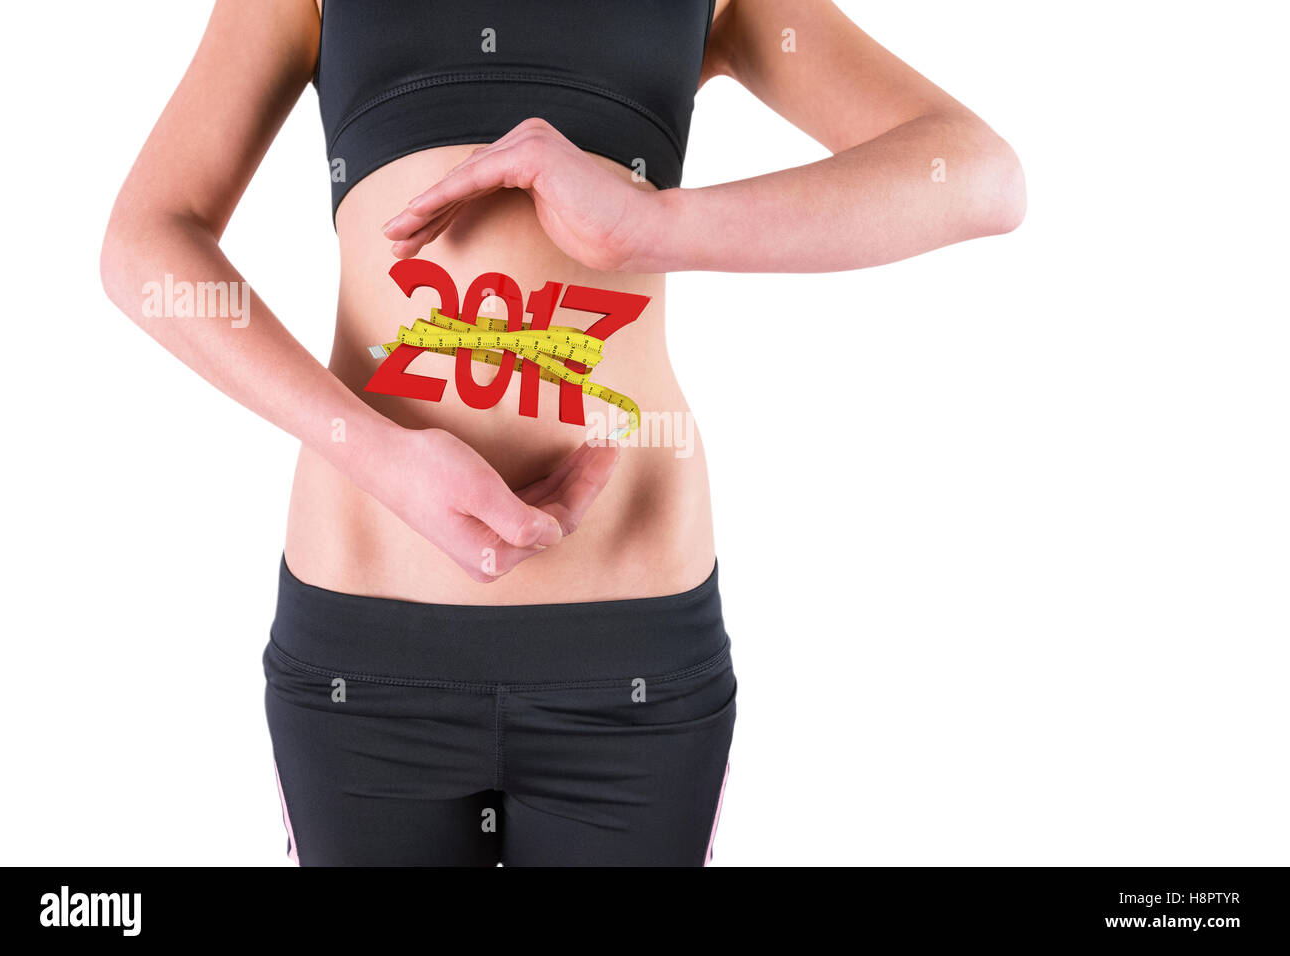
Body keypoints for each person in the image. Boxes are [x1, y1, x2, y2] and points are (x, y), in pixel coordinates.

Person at [99, 0, 1024, 866]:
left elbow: (977, 174)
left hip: (632, 667)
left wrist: (658, 226)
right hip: (365, 660)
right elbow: (146, 237)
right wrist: (373, 451)